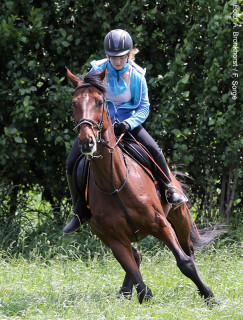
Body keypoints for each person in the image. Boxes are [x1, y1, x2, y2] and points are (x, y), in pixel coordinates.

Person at [63, 29, 186, 234]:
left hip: (128, 125)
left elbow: (144, 107)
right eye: (113, 57)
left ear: (129, 54)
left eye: (121, 57)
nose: (117, 61)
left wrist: (129, 124)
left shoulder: (137, 75)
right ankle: (80, 210)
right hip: (99, 127)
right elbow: (86, 95)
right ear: (107, 55)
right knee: (71, 163)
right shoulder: (97, 70)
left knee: (155, 151)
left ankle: (168, 189)